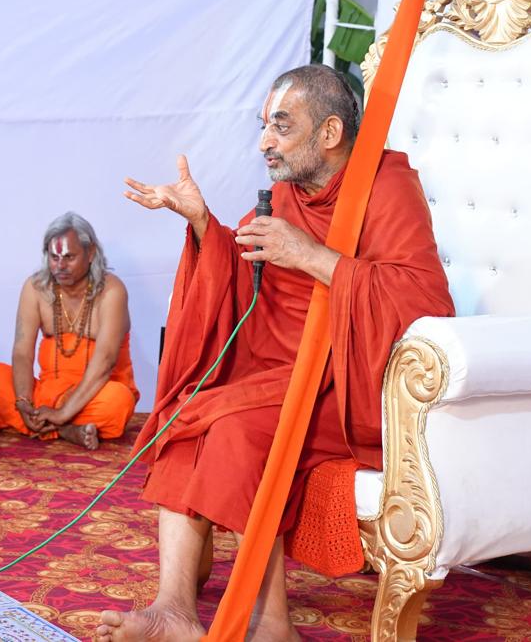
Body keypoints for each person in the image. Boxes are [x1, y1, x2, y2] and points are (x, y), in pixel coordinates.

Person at [99, 65, 454, 640]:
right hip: (275, 375)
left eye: (281, 127)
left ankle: (271, 624)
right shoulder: (288, 192)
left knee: (234, 429)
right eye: (264, 125)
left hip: (347, 386)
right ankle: (174, 610)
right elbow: (245, 271)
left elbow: (425, 303)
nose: (265, 141)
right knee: (186, 416)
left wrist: (312, 257)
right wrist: (202, 224)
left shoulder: (385, 185)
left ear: (330, 132)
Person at [0, 213, 139, 451]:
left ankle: (48, 425)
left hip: (94, 393)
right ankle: (67, 431)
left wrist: (63, 413)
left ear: (91, 253)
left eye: (69, 257)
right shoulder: (36, 288)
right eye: (54, 257)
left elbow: (105, 361)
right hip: (47, 394)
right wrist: (23, 401)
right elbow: (22, 352)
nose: (60, 266)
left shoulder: (111, 291)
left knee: (118, 400)